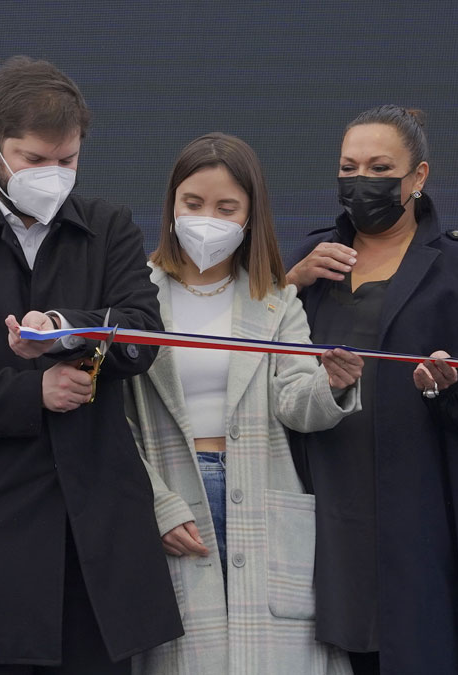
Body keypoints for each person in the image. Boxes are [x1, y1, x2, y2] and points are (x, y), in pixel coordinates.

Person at [0, 56, 183, 674]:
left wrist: (66, 331)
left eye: (67, 160)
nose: (53, 175)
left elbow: (143, 334)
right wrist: (33, 392)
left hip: (100, 539)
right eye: (34, 159)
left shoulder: (107, 227)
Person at [125, 133, 361, 675]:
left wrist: (331, 385)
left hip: (262, 490)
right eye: (193, 203)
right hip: (175, 495)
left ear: (251, 217)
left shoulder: (275, 297)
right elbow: (117, 423)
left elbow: (295, 400)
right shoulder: (136, 294)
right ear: (170, 205)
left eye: (226, 208)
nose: (207, 219)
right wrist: (156, 503)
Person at [286, 105, 458, 675]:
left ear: (419, 176)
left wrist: (449, 386)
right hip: (322, 508)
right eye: (349, 167)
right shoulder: (308, 262)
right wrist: (287, 282)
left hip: (420, 516)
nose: (361, 181)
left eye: (380, 168)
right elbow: (259, 364)